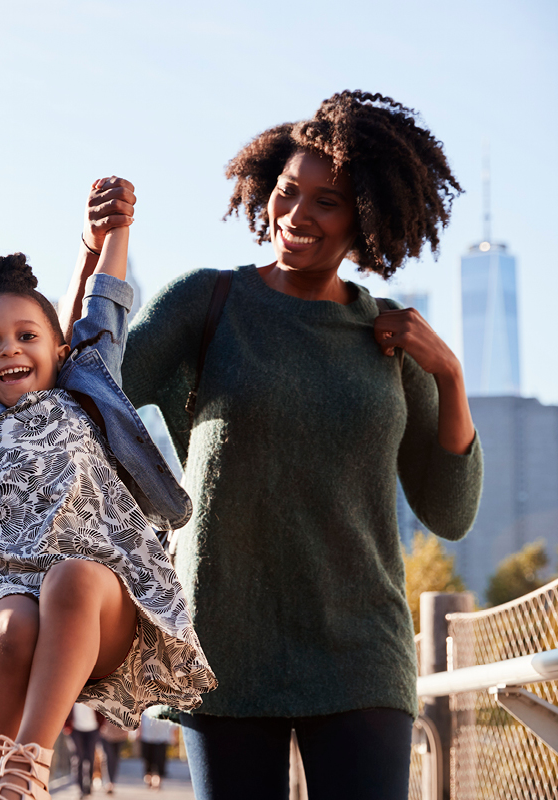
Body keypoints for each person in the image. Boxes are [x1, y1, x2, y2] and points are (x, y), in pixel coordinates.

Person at [63, 92, 483, 799]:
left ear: (368, 216)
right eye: (289, 193)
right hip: (224, 649)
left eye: (328, 201)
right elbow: (87, 389)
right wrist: (91, 255)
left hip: (363, 654)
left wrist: (448, 374)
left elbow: (451, 512)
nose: (297, 215)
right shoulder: (210, 302)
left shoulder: (389, 338)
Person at [0, 189, 217, 800]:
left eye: (25, 335)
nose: (8, 348)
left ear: (59, 350)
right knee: (10, 631)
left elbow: (106, 304)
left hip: (105, 594)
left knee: (72, 578)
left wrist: (116, 234)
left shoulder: (89, 385)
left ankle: (30, 760)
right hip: (9, 583)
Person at [138, 706, 173, 790]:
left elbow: (171, 720)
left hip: (161, 737)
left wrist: (171, 736)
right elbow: (139, 718)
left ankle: (157, 780)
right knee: (147, 759)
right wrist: (138, 732)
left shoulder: (165, 705)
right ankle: (148, 777)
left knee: (160, 760)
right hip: (146, 736)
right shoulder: (145, 704)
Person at [98, 715, 131, 794]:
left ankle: (112, 781)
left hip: (120, 733)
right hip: (105, 733)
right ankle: (108, 782)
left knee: (115, 759)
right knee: (108, 757)